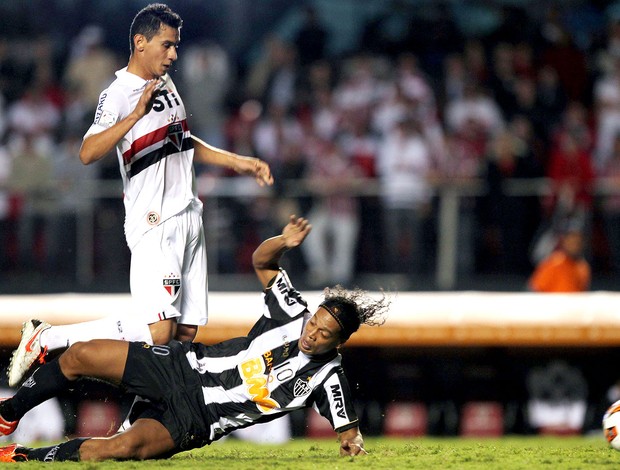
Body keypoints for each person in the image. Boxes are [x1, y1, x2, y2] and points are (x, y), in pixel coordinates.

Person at [6, 3, 273, 388]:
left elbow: (182, 141)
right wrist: (132, 116)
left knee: (183, 335)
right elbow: (87, 152)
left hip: (188, 216)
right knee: (158, 333)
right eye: (167, 46)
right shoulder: (117, 94)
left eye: (176, 46)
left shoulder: (165, 83)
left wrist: (238, 161)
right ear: (140, 42)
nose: (174, 54)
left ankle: (138, 426)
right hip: (154, 220)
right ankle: (48, 338)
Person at [0, 215, 389, 462]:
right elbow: (262, 261)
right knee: (80, 355)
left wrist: (350, 440)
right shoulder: (292, 313)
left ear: (337, 344)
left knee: (115, 450)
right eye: (315, 323)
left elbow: (347, 427)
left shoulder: (329, 376)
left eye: (324, 334)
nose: (312, 333)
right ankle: (7, 414)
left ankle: (21, 457)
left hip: (197, 420)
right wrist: (283, 241)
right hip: (181, 366)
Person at [528, 222, 591, 293]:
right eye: (571, 241)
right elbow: (535, 288)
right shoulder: (554, 262)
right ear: (564, 242)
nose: (574, 245)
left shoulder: (583, 267)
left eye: (577, 242)